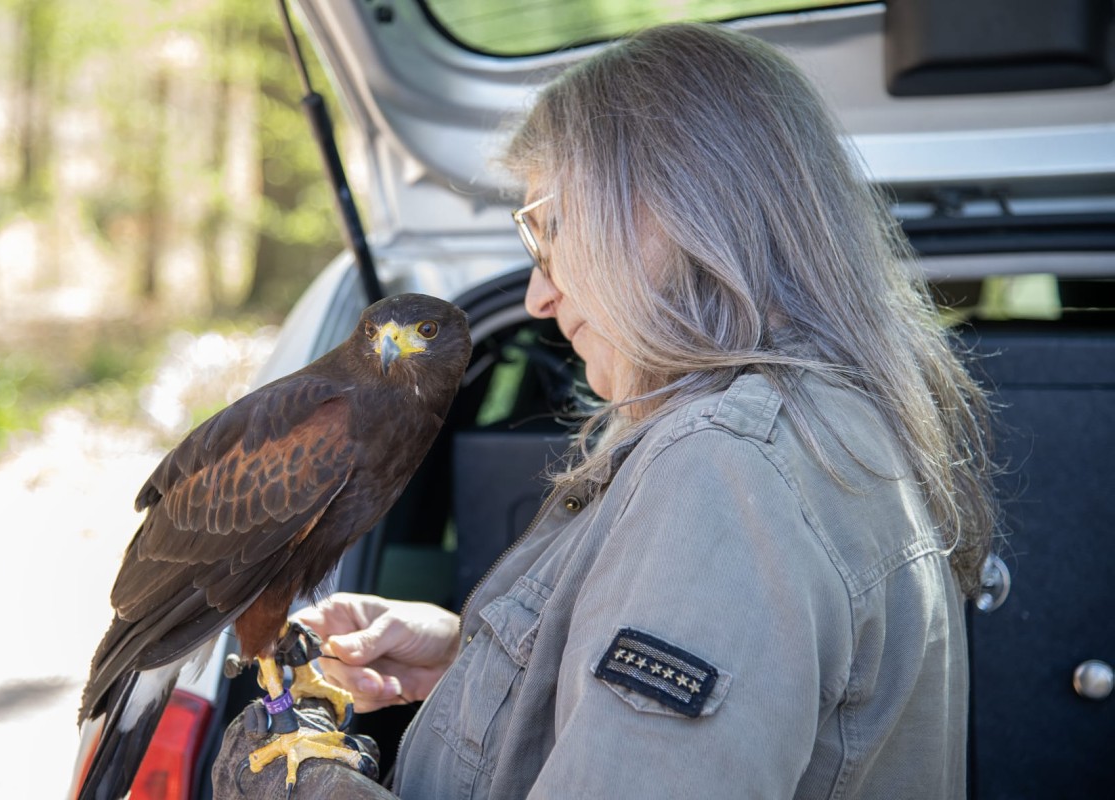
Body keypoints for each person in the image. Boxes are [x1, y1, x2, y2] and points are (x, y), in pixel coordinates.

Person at [294, 21, 997, 799]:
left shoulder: (731, 467)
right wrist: (475, 660)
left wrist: (309, 783)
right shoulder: (832, 431)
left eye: (549, 229)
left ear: (671, 211)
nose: (538, 295)